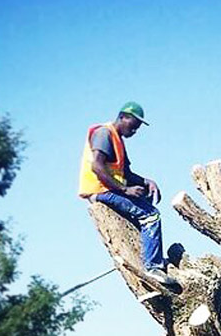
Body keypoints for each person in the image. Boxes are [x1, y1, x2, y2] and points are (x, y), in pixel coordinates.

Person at [77, 102, 179, 290]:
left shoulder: (117, 139)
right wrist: (125, 191)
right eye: (134, 125)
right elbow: (97, 167)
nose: (135, 130)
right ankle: (153, 266)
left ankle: (150, 255)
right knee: (150, 215)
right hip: (100, 190)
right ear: (123, 117)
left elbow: (126, 174)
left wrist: (146, 181)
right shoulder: (104, 134)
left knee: (145, 201)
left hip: (109, 189)